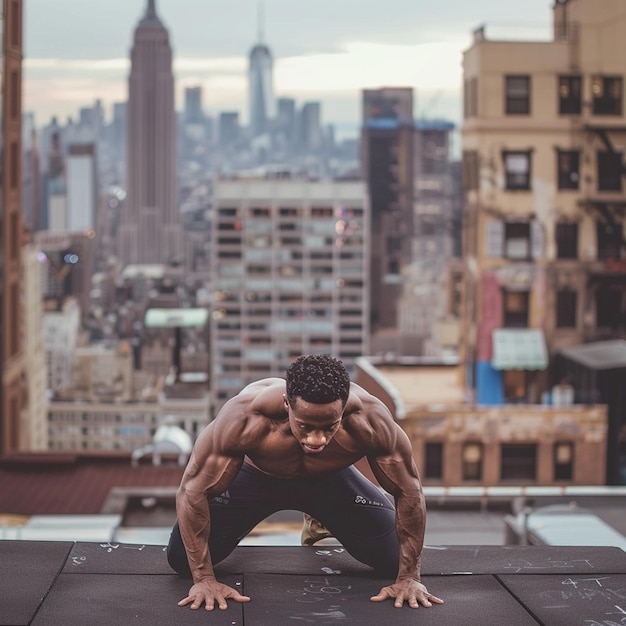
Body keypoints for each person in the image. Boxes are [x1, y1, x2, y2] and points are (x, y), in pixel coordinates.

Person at [167, 354, 443, 611]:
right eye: (305, 426)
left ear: (344, 407)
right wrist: (204, 579)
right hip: (256, 479)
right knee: (182, 560)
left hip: (329, 481)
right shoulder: (245, 417)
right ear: (287, 403)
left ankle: (319, 516)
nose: (317, 440)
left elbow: (409, 491)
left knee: (393, 561)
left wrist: (409, 577)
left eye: (329, 427)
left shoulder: (370, 420)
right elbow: (193, 492)